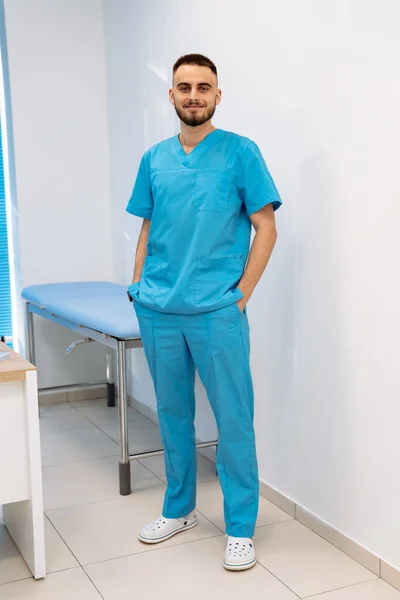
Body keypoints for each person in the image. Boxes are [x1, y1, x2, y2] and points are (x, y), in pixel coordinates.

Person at [126, 53, 282, 571]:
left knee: (234, 420)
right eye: (184, 86)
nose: (194, 95)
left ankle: (240, 527)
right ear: (170, 95)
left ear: (218, 95)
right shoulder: (153, 159)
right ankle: (180, 509)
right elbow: (148, 228)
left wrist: (242, 295)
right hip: (159, 309)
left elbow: (266, 227)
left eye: (204, 87)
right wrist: (138, 284)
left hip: (217, 311)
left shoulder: (241, 153)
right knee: (173, 415)